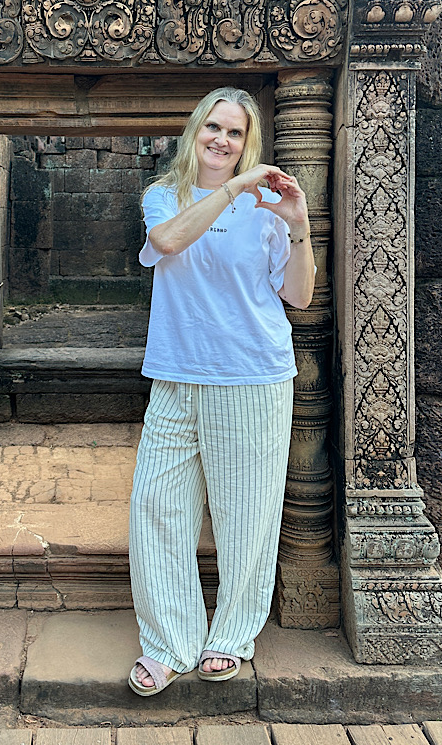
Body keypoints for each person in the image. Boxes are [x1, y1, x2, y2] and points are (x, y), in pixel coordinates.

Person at [128, 86, 315, 696]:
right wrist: (234, 190)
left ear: (247, 143)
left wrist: (298, 225)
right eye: (214, 127)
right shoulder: (164, 196)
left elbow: (299, 296)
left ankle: (232, 634)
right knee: (157, 508)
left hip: (252, 375)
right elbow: (168, 242)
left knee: (246, 516)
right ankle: (169, 641)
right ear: (195, 131)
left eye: (235, 133)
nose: (222, 140)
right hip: (177, 375)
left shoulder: (268, 209)